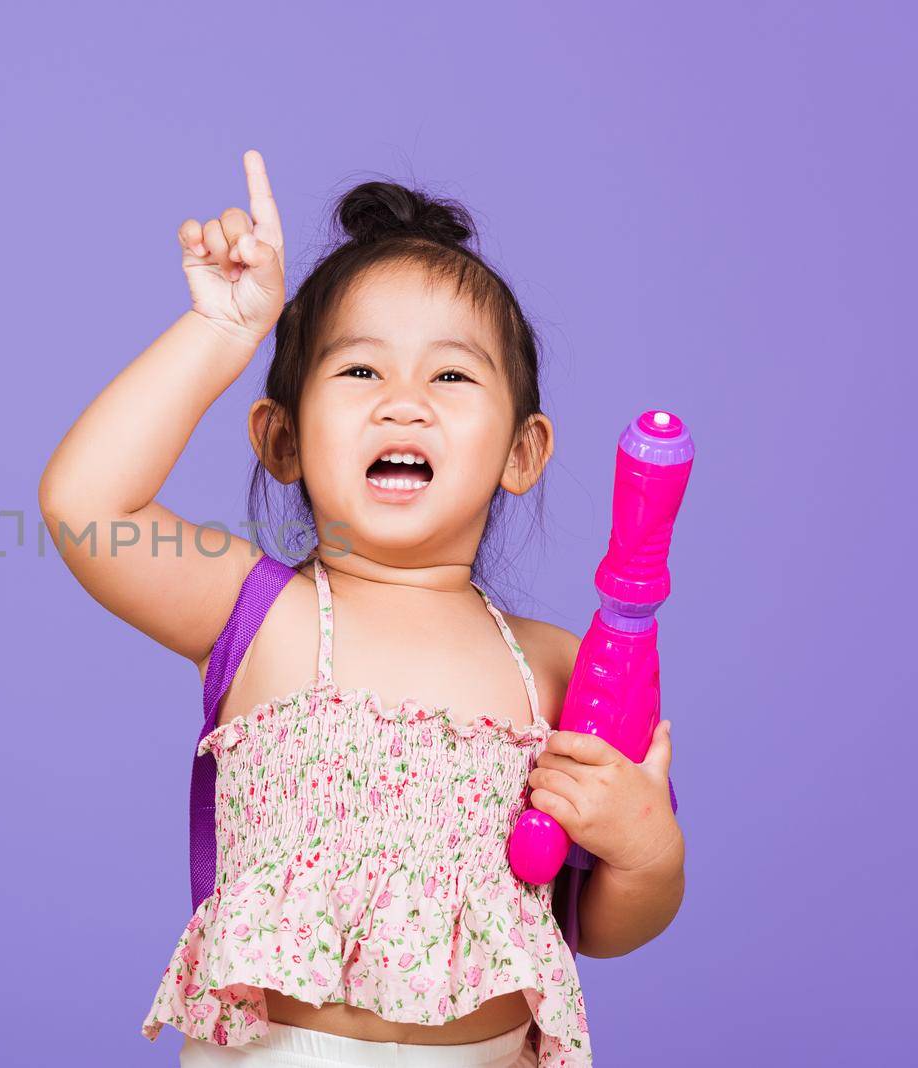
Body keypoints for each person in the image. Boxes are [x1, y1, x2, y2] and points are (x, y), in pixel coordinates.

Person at [38, 150, 683, 1067]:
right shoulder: (257, 613)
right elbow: (87, 509)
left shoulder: (558, 667)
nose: (405, 405)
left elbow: (605, 925)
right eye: (359, 374)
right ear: (283, 438)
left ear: (523, 452)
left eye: (452, 378)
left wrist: (646, 851)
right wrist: (222, 333)